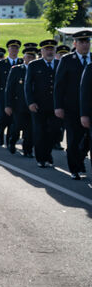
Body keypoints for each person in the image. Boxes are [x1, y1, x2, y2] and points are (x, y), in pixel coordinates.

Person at [53, 29, 91, 179]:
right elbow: (59, 85)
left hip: (89, 107)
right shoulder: (67, 60)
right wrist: (58, 106)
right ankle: (74, 168)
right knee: (74, 138)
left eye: (87, 41)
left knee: (87, 140)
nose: (85, 45)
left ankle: (80, 160)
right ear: (75, 44)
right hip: (72, 107)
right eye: (81, 42)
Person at [25, 39, 60, 168]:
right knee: (40, 132)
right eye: (47, 49)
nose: (49, 52)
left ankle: (47, 152)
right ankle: (41, 158)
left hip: (55, 106)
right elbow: (28, 86)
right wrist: (30, 102)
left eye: (52, 49)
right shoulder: (34, 65)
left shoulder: (60, 64)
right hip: (38, 105)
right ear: (42, 51)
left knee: (54, 132)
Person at [5, 46, 37, 157]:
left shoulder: (37, 69)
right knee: (17, 126)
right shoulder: (16, 69)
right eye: (28, 57)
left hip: (32, 105)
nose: (30, 59)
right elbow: (9, 89)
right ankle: (12, 141)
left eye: (33, 57)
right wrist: (8, 105)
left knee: (30, 129)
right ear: (24, 57)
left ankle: (28, 150)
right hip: (18, 105)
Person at [0, 40, 22, 145]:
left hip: (17, 96)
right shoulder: (1, 64)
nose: (14, 50)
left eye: (16, 48)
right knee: (2, 118)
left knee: (14, 120)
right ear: (8, 49)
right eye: (12, 48)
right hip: (3, 95)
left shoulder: (21, 63)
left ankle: (9, 140)